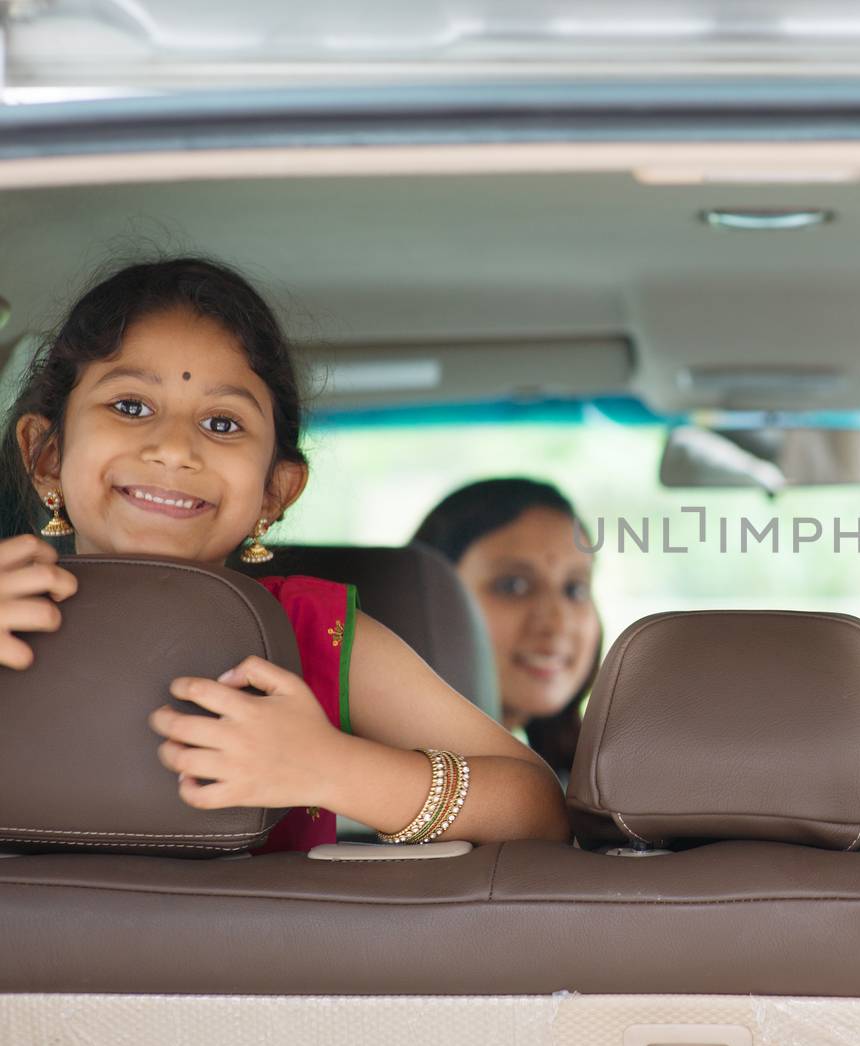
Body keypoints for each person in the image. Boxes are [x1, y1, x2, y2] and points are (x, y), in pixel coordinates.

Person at [0, 258, 570, 853]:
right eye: (131, 407)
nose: (173, 448)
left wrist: (329, 767)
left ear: (276, 491)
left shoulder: (311, 634)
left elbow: (537, 807)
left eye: (222, 423)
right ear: (46, 455)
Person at [412, 478, 602, 781]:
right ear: (429, 600)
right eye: (513, 586)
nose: (558, 622)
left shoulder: (594, 788)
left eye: (575, 589)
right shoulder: (374, 782)